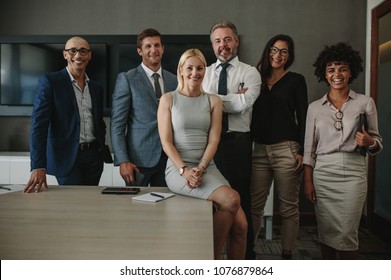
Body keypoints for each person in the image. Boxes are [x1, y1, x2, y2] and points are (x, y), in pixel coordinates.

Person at [158, 48, 247, 260]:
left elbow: (214, 139)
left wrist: (201, 167)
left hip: (207, 166)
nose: (195, 73)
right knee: (232, 199)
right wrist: (185, 170)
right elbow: (166, 143)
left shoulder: (213, 101)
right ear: (181, 70)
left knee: (242, 226)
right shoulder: (168, 99)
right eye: (189, 68)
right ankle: (211, 261)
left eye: (199, 68)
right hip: (178, 169)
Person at [303, 42, 383, 259]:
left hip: (353, 171)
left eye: (342, 68)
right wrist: (308, 181)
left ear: (351, 72)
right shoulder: (314, 108)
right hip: (323, 173)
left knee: (348, 233)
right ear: (324, 74)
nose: (336, 74)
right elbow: (309, 149)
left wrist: (369, 142)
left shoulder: (365, 103)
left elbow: (377, 142)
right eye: (331, 69)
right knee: (326, 232)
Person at [203, 20, 261, 259]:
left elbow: (244, 104)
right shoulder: (203, 72)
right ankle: (209, 257)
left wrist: (212, 100)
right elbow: (199, 105)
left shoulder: (250, 72)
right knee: (210, 203)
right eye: (217, 41)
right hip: (209, 146)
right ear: (212, 45)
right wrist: (231, 99)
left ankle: (245, 259)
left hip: (238, 144)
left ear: (236, 41)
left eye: (227, 39)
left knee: (240, 200)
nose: (223, 45)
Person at [25, 36, 110, 192]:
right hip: (67, 157)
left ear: (89, 55)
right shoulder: (50, 82)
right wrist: (38, 165)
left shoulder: (96, 87)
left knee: (91, 203)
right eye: (73, 50)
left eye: (83, 51)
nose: (78, 55)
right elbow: (39, 126)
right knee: (74, 205)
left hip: (94, 158)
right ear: (65, 54)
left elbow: (98, 122)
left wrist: (100, 149)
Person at [250, 34, 308, 259]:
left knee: (288, 208)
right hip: (260, 150)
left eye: (284, 51)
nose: (278, 55)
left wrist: (303, 150)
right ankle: (248, 252)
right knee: (254, 207)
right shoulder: (256, 78)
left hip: (287, 150)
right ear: (268, 51)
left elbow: (304, 118)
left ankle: (286, 255)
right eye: (274, 49)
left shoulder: (296, 80)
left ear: (289, 56)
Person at [111, 28, 177, 186]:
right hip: (138, 160)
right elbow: (117, 124)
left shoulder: (175, 80)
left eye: (157, 45)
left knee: (165, 206)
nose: (153, 50)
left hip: (169, 158)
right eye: (148, 46)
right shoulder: (127, 79)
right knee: (135, 208)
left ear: (162, 49)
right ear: (139, 51)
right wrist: (123, 160)